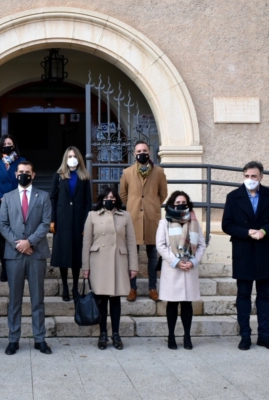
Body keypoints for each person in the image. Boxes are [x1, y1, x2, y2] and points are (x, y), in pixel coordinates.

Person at [0, 161, 52, 355]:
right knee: (14, 300)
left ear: (33, 174)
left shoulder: (43, 197)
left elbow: (46, 224)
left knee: (38, 299)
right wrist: (18, 244)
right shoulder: (7, 197)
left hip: (36, 254)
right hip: (14, 255)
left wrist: (29, 242)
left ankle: (40, 338)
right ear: (16, 174)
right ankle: (13, 338)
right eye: (21, 172)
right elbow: (3, 224)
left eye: (27, 172)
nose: (24, 175)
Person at [82, 187, 138, 350]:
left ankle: (116, 334)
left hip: (118, 261)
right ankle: (102, 334)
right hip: (98, 262)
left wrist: (133, 266)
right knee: (101, 300)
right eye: (107, 197)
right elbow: (86, 243)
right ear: (101, 199)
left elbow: (131, 242)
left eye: (113, 198)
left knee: (115, 300)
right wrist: (85, 267)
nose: (110, 200)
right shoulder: (92, 215)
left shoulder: (125, 216)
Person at [222, 161, 269, 351]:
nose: (250, 179)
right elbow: (227, 224)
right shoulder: (233, 197)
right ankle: (245, 335)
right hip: (243, 251)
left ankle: (264, 335)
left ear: (261, 177)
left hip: (265, 251)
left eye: (254, 176)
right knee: (243, 296)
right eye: (247, 176)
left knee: (265, 297)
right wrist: (248, 232)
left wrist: (264, 231)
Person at [157, 191, 206, 350]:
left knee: (187, 304)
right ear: (171, 204)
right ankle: (171, 335)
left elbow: (201, 245)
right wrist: (176, 262)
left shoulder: (194, 222)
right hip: (173, 268)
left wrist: (193, 261)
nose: (180, 205)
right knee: (172, 304)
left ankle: (187, 336)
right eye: (177, 202)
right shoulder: (164, 223)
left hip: (189, 268)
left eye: (183, 202)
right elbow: (161, 246)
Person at [120, 140, 167, 302]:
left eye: (144, 150)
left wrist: (152, 206)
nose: (142, 153)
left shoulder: (159, 172)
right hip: (133, 219)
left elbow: (163, 194)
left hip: (151, 219)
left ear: (149, 152)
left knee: (152, 255)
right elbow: (123, 194)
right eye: (138, 151)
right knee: (132, 254)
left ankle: (152, 288)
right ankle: (132, 288)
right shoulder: (127, 172)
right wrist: (133, 206)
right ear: (134, 154)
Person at [50, 146, 92, 301]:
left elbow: (88, 202)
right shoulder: (59, 176)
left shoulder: (84, 177)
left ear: (79, 158)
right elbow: (53, 198)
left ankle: (75, 287)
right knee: (63, 254)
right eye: (69, 156)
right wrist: (53, 219)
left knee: (76, 255)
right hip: (62, 219)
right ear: (65, 159)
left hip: (78, 219)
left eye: (74, 156)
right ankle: (65, 287)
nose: (72, 158)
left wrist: (86, 222)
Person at [0, 134, 26, 282]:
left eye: (10, 143)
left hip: (17, 203)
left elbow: (23, 181)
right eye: (5, 143)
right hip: (0, 204)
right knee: (2, 239)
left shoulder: (21, 161)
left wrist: (13, 197)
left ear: (14, 145)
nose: (7, 145)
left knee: (17, 235)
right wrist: (1, 197)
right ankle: (4, 270)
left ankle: (18, 270)